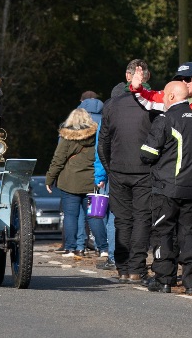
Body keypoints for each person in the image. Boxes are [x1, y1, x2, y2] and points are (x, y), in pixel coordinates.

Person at [139, 80, 192, 293]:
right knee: (189, 233)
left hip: (167, 188)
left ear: (170, 97)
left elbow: (147, 154)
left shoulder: (165, 119)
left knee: (163, 233)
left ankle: (164, 280)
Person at [99, 59, 157, 282]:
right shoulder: (152, 104)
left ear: (128, 76)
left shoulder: (112, 104)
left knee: (122, 219)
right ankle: (136, 267)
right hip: (144, 169)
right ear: (147, 76)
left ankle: (123, 267)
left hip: (119, 168)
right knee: (142, 218)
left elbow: (103, 141)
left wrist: (110, 167)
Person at [44, 107, 99, 260]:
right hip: (91, 181)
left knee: (71, 216)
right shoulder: (96, 136)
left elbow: (58, 160)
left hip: (70, 183)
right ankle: (101, 247)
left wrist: (50, 179)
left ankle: (71, 247)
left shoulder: (67, 138)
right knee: (93, 216)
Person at [79, 90, 109, 261]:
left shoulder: (76, 122)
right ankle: (108, 248)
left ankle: (82, 245)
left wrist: (99, 176)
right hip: (117, 171)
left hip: (85, 175)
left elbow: (100, 151)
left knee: (94, 212)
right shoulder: (106, 118)